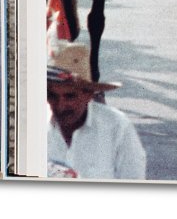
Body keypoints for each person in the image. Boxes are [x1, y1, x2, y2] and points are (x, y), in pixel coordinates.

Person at [48, 41, 147, 180]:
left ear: (88, 95)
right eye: (52, 96)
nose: (60, 106)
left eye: (70, 96)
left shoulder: (117, 126)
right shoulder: (34, 126)